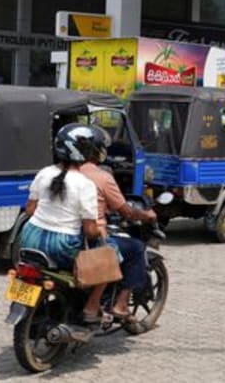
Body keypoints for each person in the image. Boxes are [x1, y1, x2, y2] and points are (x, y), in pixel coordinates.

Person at [20, 124, 102, 322]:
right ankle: (91, 308)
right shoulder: (85, 184)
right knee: (109, 257)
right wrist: (100, 231)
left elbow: (30, 210)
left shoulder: (44, 173)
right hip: (62, 245)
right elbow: (90, 231)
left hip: (30, 237)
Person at [79, 126, 156, 323]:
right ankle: (119, 305)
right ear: (98, 151)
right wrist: (147, 214)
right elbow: (126, 212)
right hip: (90, 237)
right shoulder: (102, 177)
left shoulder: (61, 173)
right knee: (135, 248)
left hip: (63, 234)